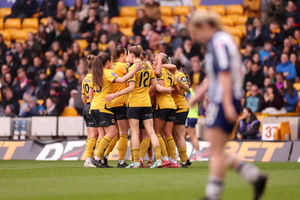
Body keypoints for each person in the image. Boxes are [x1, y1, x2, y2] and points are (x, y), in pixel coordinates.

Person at [189, 12, 267, 200]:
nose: (196, 38)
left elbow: (224, 74)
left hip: (224, 98)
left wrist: (227, 104)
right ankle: (255, 177)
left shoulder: (219, 42)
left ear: (205, 26)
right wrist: (197, 95)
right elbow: (214, 75)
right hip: (224, 98)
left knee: (215, 149)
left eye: (196, 33)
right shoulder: (219, 42)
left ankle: (213, 195)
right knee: (217, 148)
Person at [105, 45, 163, 168]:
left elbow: (131, 88)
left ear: (132, 55)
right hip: (146, 103)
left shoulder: (132, 68)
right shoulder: (147, 66)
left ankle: (136, 161)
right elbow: (154, 84)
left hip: (134, 104)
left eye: (128, 55)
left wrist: (115, 94)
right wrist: (146, 92)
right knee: (151, 132)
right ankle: (158, 160)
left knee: (135, 133)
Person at [89, 52, 142, 168]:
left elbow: (91, 91)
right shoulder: (107, 72)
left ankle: (100, 159)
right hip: (104, 105)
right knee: (111, 133)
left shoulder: (96, 73)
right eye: (111, 61)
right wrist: (134, 70)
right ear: (107, 62)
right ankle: (97, 158)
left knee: (104, 134)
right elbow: (122, 80)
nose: (112, 63)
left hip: (94, 105)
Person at [171, 58, 191, 167]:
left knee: (179, 135)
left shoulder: (179, 75)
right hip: (175, 107)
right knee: (175, 135)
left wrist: (179, 83)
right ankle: (185, 158)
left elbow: (187, 88)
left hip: (180, 107)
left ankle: (183, 161)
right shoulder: (172, 75)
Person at [81, 54, 97, 167]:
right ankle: (90, 159)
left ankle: (89, 158)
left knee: (90, 135)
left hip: (86, 106)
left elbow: (83, 96)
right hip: (93, 105)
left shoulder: (85, 78)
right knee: (94, 135)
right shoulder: (94, 78)